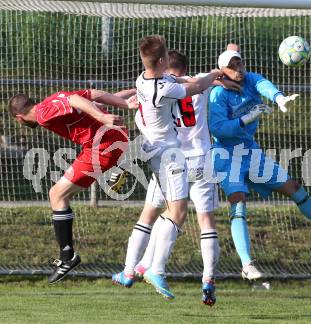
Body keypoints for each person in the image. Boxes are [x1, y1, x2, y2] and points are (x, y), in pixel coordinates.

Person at [208, 48, 311, 280]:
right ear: (222, 71)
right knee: (238, 202)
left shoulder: (250, 79)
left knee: (294, 188)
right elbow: (218, 129)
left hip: (251, 153)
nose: (238, 69)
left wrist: (279, 97)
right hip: (226, 155)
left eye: (239, 63)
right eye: (232, 66)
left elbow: (263, 84)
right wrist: (246, 118)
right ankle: (247, 264)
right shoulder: (218, 94)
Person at [112, 49, 239, 305]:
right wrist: (229, 61)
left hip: (166, 159)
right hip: (199, 158)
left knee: (151, 215)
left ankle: (131, 270)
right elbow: (222, 80)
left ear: (164, 65)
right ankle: (207, 278)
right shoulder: (192, 83)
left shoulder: (151, 87)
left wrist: (107, 100)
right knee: (205, 221)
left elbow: (130, 94)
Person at [8, 89, 136, 283]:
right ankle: (67, 256)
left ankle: (67, 258)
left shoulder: (43, 113)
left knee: (57, 195)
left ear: (19, 118)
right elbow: (92, 94)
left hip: (103, 146)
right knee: (57, 194)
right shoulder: (52, 99)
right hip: (108, 141)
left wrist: (103, 115)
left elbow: (74, 99)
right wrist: (126, 99)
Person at [130, 35, 223, 299]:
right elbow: (198, 84)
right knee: (192, 217)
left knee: (157, 213)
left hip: (163, 155)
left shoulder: (143, 80)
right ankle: (161, 269)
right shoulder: (170, 88)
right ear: (162, 60)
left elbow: (178, 80)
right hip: (183, 156)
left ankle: (136, 266)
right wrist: (218, 72)